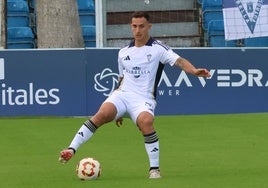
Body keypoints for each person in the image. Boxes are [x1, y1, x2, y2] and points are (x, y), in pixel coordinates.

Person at [59, 11, 211, 179]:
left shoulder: (159, 49)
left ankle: (154, 169)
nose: (138, 30)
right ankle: (71, 149)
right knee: (102, 114)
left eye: (141, 26)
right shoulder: (123, 52)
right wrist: (118, 110)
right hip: (122, 95)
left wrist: (194, 71)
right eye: (134, 26)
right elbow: (121, 78)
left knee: (146, 122)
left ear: (149, 27)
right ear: (131, 27)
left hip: (144, 99)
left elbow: (180, 61)